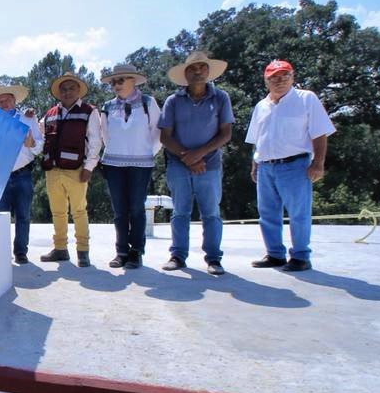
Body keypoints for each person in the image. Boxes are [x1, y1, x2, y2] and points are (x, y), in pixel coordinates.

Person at [246, 59, 335, 272]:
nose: (280, 81)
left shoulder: (306, 99)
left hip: (295, 164)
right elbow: (258, 138)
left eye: (284, 76)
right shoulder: (261, 106)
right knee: (267, 213)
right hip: (266, 166)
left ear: (292, 77)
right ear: (266, 80)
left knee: (298, 212)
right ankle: (275, 254)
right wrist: (254, 164)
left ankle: (301, 256)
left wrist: (318, 163)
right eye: (274, 77)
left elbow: (320, 132)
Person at [158, 50, 234, 275]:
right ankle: (178, 256)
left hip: (209, 165)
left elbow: (225, 134)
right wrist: (187, 157)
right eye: (192, 68)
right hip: (178, 164)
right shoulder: (173, 101)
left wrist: (199, 154)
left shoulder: (221, 98)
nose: (197, 71)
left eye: (202, 67)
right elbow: (165, 136)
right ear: (185, 73)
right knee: (180, 212)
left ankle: (213, 259)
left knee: (211, 212)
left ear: (209, 72)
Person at [98, 64, 162, 269]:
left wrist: (145, 153)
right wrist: (119, 151)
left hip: (141, 164)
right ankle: (121, 250)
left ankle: (136, 251)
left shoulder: (148, 103)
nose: (116, 85)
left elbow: (157, 132)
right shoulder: (107, 106)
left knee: (136, 208)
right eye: (113, 82)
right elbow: (105, 135)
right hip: (114, 164)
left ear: (133, 80)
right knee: (119, 210)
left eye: (121, 80)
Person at [39, 73, 102, 267]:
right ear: (58, 93)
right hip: (53, 170)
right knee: (57, 211)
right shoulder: (49, 114)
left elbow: (95, 142)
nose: (67, 92)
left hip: (77, 169)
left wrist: (89, 167)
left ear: (78, 91)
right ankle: (60, 249)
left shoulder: (89, 111)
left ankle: (83, 251)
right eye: (63, 89)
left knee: (79, 211)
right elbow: (39, 134)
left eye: (71, 88)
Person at [0, 83, 43, 264]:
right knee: (0, 217)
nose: (3, 103)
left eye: (7, 100)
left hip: (23, 174)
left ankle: (21, 252)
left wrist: (32, 144)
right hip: (0, 176)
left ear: (14, 101)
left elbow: (39, 146)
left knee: (23, 215)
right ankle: (1, 252)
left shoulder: (28, 119)